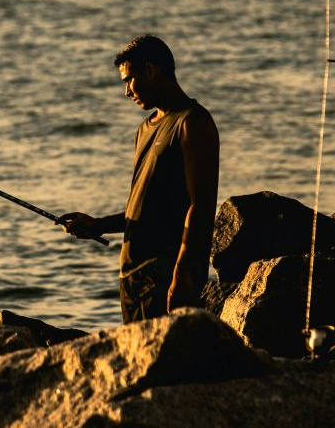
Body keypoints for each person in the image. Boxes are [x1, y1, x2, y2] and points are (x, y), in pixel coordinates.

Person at [58, 35, 220, 322]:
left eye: (128, 80)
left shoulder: (192, 123)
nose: (126, 91)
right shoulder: (144, 129)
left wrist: (182, 275)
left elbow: (201, 206)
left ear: (151, 70)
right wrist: (98, 225)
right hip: (133, 279)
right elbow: (147, 209)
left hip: (166, 276)